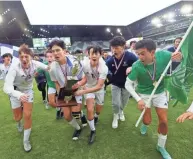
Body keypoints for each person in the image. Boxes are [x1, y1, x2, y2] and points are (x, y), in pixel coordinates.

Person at [125, 39, 182, 159]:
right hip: (144, 94)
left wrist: (179, 57)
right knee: (147, 121)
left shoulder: (163, 55)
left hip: (160, 92)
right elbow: (127, 84)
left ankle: (161, 146)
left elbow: (178, 58)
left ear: (152, 52)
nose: (140, 57)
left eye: (142, 53)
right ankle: (144, 124)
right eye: (138, 54)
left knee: (164, 121)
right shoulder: (136, 66)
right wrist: (138, 99)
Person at [3, 44, 48, 152]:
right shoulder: (14, 68)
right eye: (21, 57)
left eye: (26, 56)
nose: (24, 59)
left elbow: (48, 67)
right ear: (19, 58)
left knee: (27, 115)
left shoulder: (35, 64)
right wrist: (18, 95)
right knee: (18, 117)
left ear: (31, 57)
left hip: (28, 92)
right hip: (15, 92)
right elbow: (6, 87)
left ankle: (26, 140)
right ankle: (19, 123)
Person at [49, 40, 87, 140]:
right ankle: (78, 128)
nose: (55, 53)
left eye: (58, 50)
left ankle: (81, 115)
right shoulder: (52, 67)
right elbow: (56, 82)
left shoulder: (75, 62)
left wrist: (79, 85)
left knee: (76, 114)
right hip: (64, 91)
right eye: (53, 51)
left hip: (76, 88)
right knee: (66, 116)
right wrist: (59, 95)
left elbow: (84, 77)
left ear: (65, 51)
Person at [73, 46, 108, 144]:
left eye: (96, 53)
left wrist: (82, 91)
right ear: (88, 54)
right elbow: (85, 78)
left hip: (99, 89)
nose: (94, 56)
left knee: (99, 109)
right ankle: (93, 130)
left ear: (100, 55)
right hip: (88, 88)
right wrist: (79, 84)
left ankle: (96, 116)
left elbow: (99, 86)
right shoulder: (84, 64)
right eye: (92, 53)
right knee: (89, 109)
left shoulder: (104, 67)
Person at [106, 36, 138, 129]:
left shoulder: (131, 56)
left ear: (123, 46)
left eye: (116, 48)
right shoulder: (110, 60)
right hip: (115, 84)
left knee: (124, 102)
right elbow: (104, 69)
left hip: (128, 84)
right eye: (112, 48)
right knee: (115, 102)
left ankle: (121, 111)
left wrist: (132, 67)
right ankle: (115, 115)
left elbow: (139, 65)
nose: (114, 50)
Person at [36, 50, 63, 118]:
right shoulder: (44, 65)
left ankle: (61, 111)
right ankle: (59, 109)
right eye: (47, 57)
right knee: (51, 103)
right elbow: (36, 73)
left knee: (63, 100)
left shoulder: (59, 64)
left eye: (51, 56)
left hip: (61, 86)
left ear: (54, 57)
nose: (49, 58)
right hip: (51, 85)